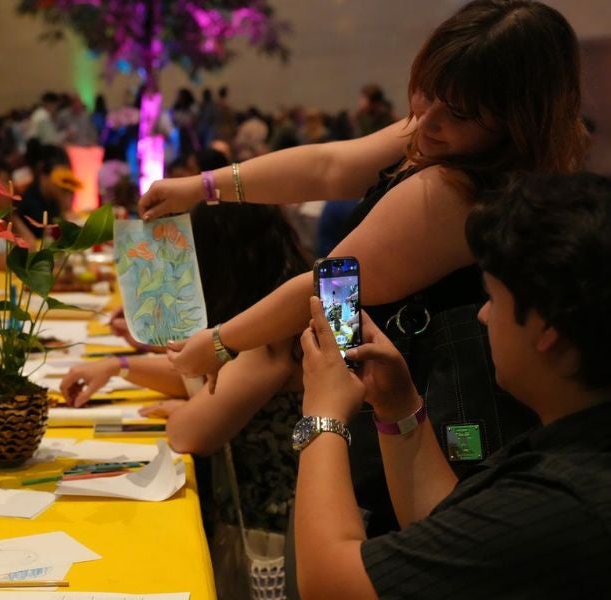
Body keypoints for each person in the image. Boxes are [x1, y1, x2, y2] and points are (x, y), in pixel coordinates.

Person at [139, 0, 588, 536]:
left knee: (372, 552)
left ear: (517, 119)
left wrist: (218, 343)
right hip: (385, 402)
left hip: (425, 419)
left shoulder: (457, 190)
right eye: (427, 93)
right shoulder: (436, 135)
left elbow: (331, 284)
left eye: (461, 114)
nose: (428, 122)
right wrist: (203, 187)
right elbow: (328, 167)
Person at [294, 171, 611, 598]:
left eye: (493, 299)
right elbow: (451, 528)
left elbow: (329, 585)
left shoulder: (565, 502)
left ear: (547, 331)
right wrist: (398, 407)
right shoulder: (578, 442)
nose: (482, 316)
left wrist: (322, 417)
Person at [61, 151, 309, 549]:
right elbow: (200, 376)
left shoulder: (271, 338)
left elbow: (187, 433)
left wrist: (190, 409)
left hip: (270, 535)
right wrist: (119, 365)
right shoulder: (266, 314)